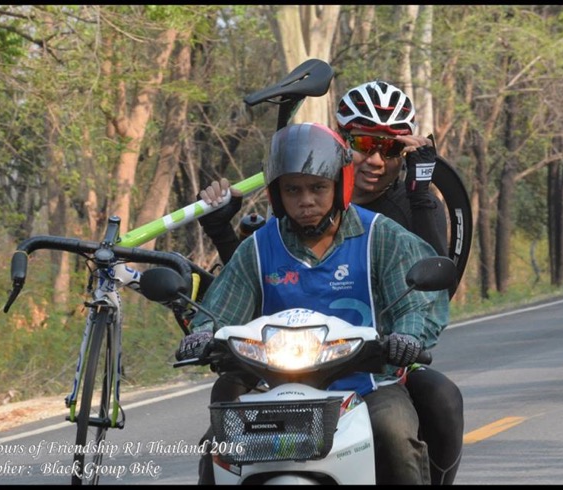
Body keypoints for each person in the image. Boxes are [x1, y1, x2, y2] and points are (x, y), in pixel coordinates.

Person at [198, 81, 463, 485]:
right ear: (276, 195)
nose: (307, 201)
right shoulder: (259, 246)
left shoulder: (382, 235)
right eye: (294, 190)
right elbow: (222, 308)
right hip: (273, 385)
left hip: (368, 383)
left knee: (395, 433)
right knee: (215, 451)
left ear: (339, 186)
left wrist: (408, 337)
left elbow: (420, 304)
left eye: (318, 188)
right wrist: (202, 333)